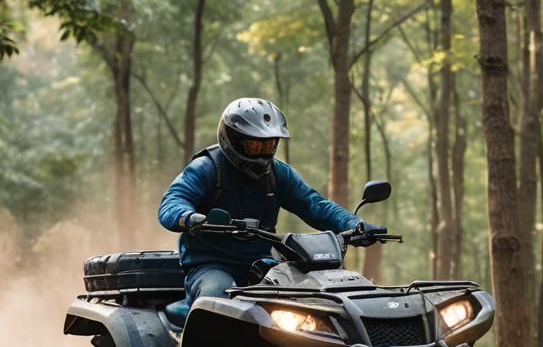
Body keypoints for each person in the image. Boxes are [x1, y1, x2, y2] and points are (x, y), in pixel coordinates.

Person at [158, 97, 383, 304]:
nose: (264, 152)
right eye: (256, 145)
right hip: (210, 266)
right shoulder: (206, 168)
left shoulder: (278, 174)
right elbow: (172, 202)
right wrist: (187, 217)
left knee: (309, 295)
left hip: (263, 265)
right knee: (218, 294)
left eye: (269, 144)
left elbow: (314, 204)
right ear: (233, 140)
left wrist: (354, 224)